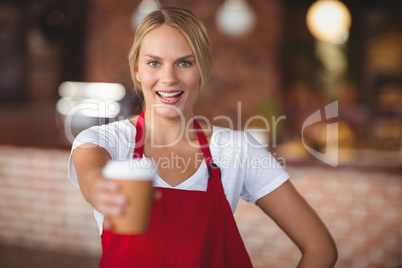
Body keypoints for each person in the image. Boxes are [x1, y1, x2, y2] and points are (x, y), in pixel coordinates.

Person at [69, 6, 337, 267]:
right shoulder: (106, 140)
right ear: (137, 70)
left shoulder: (236, 150)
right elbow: (91, 169)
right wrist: (97, 187)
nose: (168, 78)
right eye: (154, 63)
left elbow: (320, 249)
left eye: (184, 63)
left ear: (203, 69)